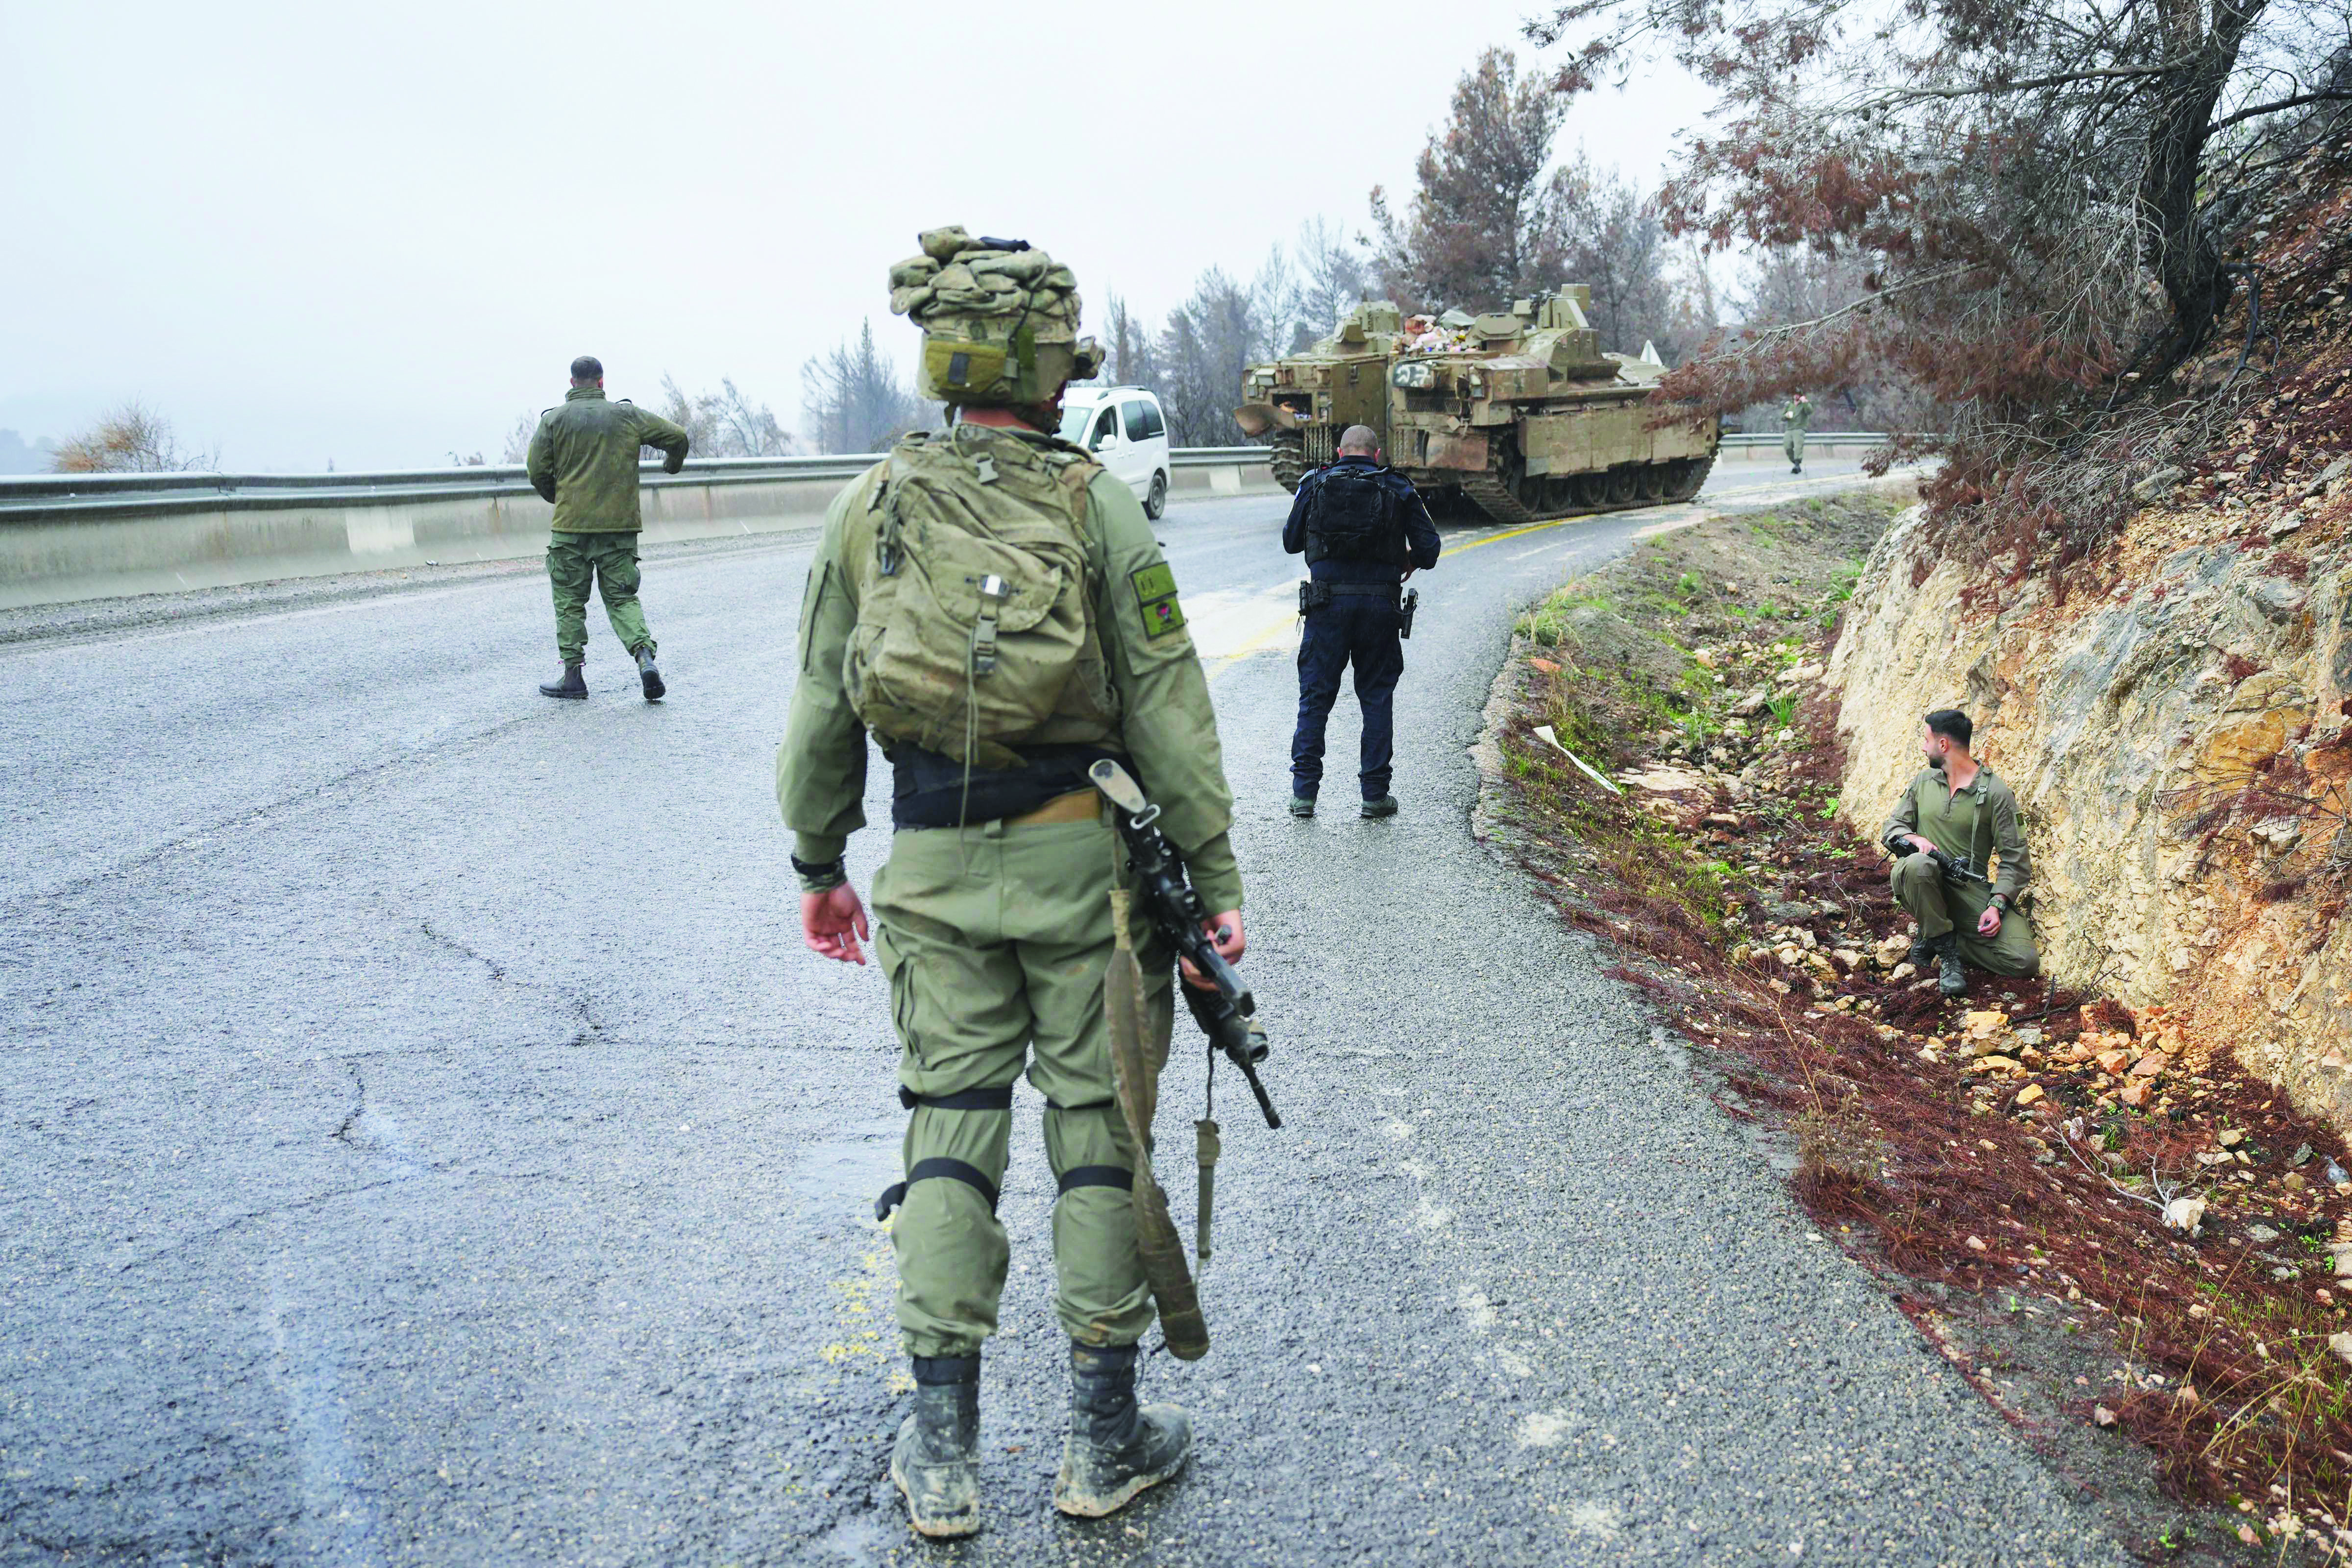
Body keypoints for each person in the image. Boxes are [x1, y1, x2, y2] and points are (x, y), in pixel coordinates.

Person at [776, 227, 1244, 1539]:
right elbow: (1167, 701)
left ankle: (943, 1462)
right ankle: (1103, 1445)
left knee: (948, 1132)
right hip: (1083, 873)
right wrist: (1211, 875)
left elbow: (822, 708)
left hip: (929, 871)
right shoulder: (1094, 501)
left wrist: (823, 865)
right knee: (1101, 1135)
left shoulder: (868, 506)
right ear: (1051, 371)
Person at [1281, 424, 1441, 819]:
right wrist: (1409, 559)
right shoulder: (1399, 487)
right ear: (1377, 453)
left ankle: (1304, 795)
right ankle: (1374, 795)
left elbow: (1291, 540)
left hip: (1325, 605)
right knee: (1376, 697)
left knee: (1315, 700)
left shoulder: (1315, 482)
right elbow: (1430, 548)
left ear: (1338, 452)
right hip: (1379, 607)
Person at [525, 356, 690, 700]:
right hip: (619, 528)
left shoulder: (554, 420)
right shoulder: (627, 416)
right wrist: (671, 467)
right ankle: (644, 656)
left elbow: (536, 470)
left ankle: (573, 677)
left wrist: (562, 499)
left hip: (570, 528)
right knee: (622, 598)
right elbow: (677, 437)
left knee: (570, 599)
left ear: (572, 384)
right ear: (601, 383)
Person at [1881, 708, 2041, 998]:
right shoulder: (1924, 782)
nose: (1923, 746)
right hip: (1920, 883)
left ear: (1943, 745)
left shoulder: (1996, 793)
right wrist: (1914, 839)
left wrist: (1998, 904)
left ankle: (1941, 936)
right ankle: (1949, 959)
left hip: (1969, 891)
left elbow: (2016, 859)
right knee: (1918, 865)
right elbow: (1892, 827)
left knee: (2024, 961)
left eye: (1926, 740)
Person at [1781, 392, 1813, 474]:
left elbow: (1809, 411)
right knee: (1787, 446)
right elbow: (1782, 417)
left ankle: (1797, 464)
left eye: (1798, 395)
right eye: (1795, 394)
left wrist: (1805, 402)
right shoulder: (1789, 405)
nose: (1796, 396)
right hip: (1790, 429)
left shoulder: (1804, 404)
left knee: (1798, 447)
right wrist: (1786, 416)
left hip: (1800, 429)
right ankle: (1795, 462)